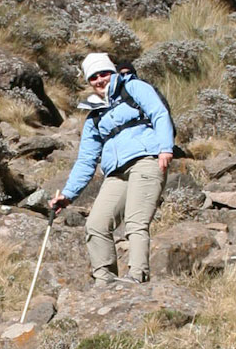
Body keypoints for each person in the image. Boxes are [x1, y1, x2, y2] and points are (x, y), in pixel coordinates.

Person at [50, 53, 175, 285]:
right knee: (96, 225)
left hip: (146, 160)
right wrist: (68, 195)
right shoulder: (94, 115)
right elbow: (86, 159)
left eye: (103, 73)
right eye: (93, 77)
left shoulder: (134, 88)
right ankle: (104, 280)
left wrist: (166, 148)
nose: (99, 80)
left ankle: (137, 276)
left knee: (136, 222)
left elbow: (159, 113)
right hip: (115, 173)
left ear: (113, 72)